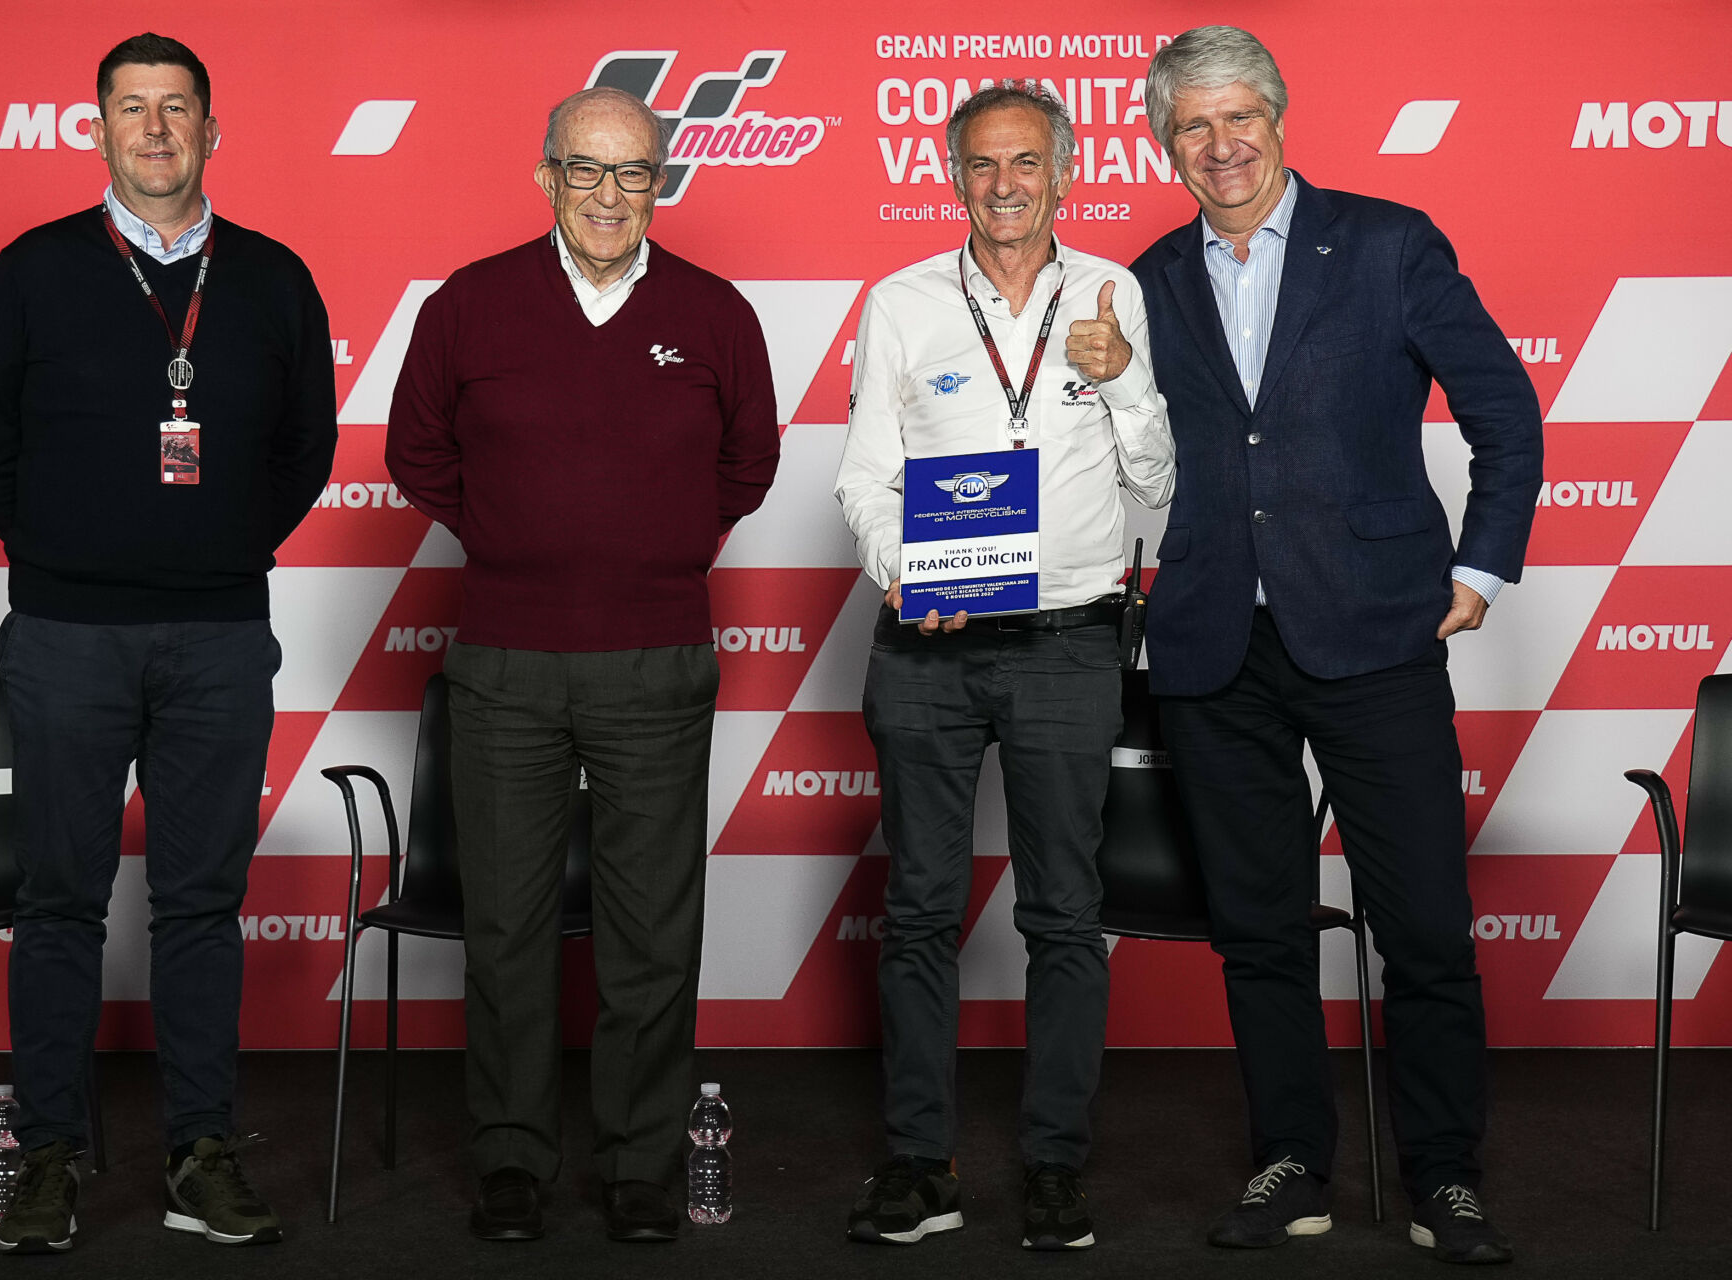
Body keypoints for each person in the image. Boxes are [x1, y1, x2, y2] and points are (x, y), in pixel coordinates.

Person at [1131, 25, 1543, 1266]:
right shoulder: (1141, 278)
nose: (1223, 143)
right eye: (1194, 125)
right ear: (1167, 143)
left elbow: (1504, 412)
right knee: (1259, 933)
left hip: (1375, 635)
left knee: (1422, 925)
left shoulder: (1387, 241)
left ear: (1280, 114)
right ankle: (1291, 1161)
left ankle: (1444, 1176)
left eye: (1240, 114)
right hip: (1215, 647)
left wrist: (1477, 566)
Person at [0, 31, 337, 1254]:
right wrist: (73, 545)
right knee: (58, 899)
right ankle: (51, 1154)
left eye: (178, 109)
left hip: (222, 633)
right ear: (99, 129)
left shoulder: (272, 276)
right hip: (67, 632)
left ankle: (200, 1152)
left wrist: (213, 543)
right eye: (132, 108)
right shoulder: (31, 270)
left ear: (213, 132)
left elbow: (305, 452)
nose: (156, 129)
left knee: (201, 903)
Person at [385, 86, 779, 1244]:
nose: (612, 195)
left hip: (657, 659)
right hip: (507, 659)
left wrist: (653, 550)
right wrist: (516, 539)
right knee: (504, 924)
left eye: (636, 173)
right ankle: (510, 1158)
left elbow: (746, 465)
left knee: (651, 926)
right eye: (588, 170)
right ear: (547, 175)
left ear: (662, 183)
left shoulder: (714, 313)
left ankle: (640, 1162)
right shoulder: (470, 303)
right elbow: (418, 449)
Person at [834, 82, 1173, 1251]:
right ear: (953, 175)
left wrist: (1125, 375)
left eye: (1027, 162)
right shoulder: (902, 304)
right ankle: (918, 1161)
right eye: (983, 164)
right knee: (922, 909)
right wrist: (899, 569)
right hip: (928, 648)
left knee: (1066, 915)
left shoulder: (1117, 292)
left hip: (1070, 643)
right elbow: (862, 478)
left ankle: (1054, 1166)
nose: (1005, 184)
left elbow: (1163, 487)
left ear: (1065, 173)